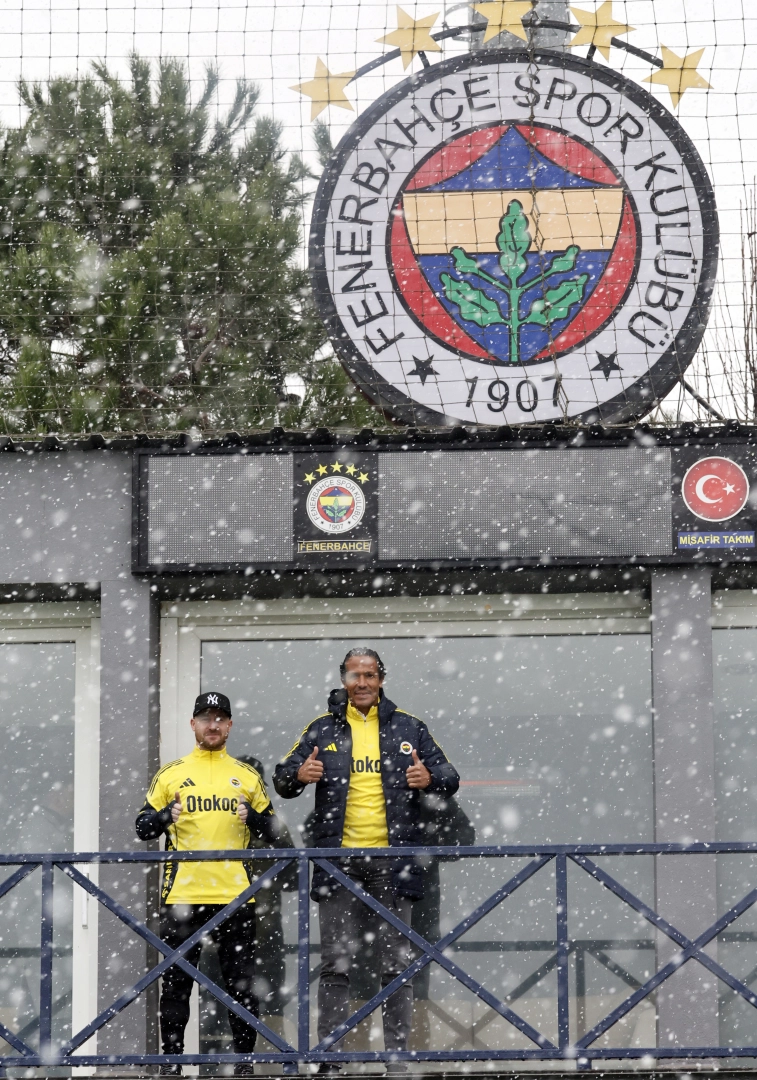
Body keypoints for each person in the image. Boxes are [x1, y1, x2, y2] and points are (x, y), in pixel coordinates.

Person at [274, 648, 459, 1075]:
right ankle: (330, 1059)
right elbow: (283, 779)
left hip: (392, 862)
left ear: (381, 680)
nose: (362, 683)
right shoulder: (321, 728)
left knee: (396, 965)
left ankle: (396, 1060)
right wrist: (298, 777)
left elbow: (450, 777)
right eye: (355, 675)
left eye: (370, 675)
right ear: (343, 679)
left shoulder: (409, 727)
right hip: (337, 862)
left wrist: (430, 778)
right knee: (335, 964)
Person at [136, 692, 283, 1077]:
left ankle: (245, 1064)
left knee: (242, 986)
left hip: (236, 897)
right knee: (176, 985)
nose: (212, 725)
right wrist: (166, 815)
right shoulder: (171, 774)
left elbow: (275, 832)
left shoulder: (246, 775)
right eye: (205, 718)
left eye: (220, 718)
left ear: (229, 725)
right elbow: (142, 827)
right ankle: (172, 1064)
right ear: (193, 724)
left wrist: (253, 818)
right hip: (183, 896)